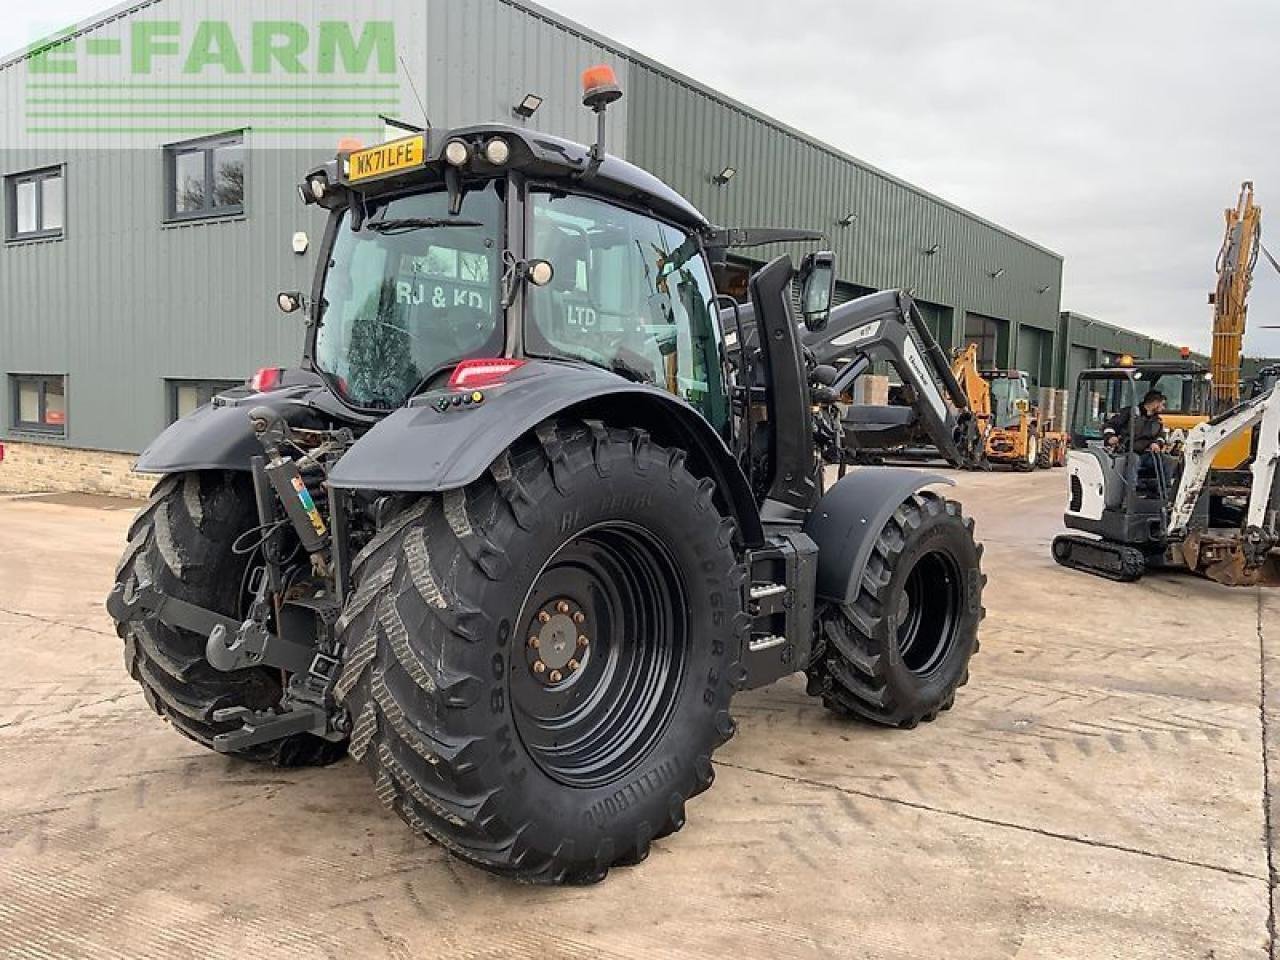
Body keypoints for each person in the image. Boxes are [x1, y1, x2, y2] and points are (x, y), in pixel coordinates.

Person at [1103, 389, 1167, 455]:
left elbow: (1161, 436)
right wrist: (1110, 436)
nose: (1163, 408)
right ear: (1155, 403)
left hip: (1148, 453)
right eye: (1162, 404)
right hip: (1127, 452)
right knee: (1135, 460)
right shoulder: (1129, 413)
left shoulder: (1157, 421)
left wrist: (1156, 443)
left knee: (1170, 461)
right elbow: (1110, 425)